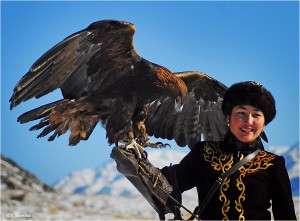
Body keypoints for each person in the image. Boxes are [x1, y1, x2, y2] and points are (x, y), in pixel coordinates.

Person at [160, 81, 297, 220]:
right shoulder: (204, 153)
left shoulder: (273, 164)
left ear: (264, 123)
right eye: (241, 113)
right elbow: (166, 184)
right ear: (227, 117)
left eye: (256, 115)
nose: (248, 121)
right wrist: (140, 163)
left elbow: (286, 216)